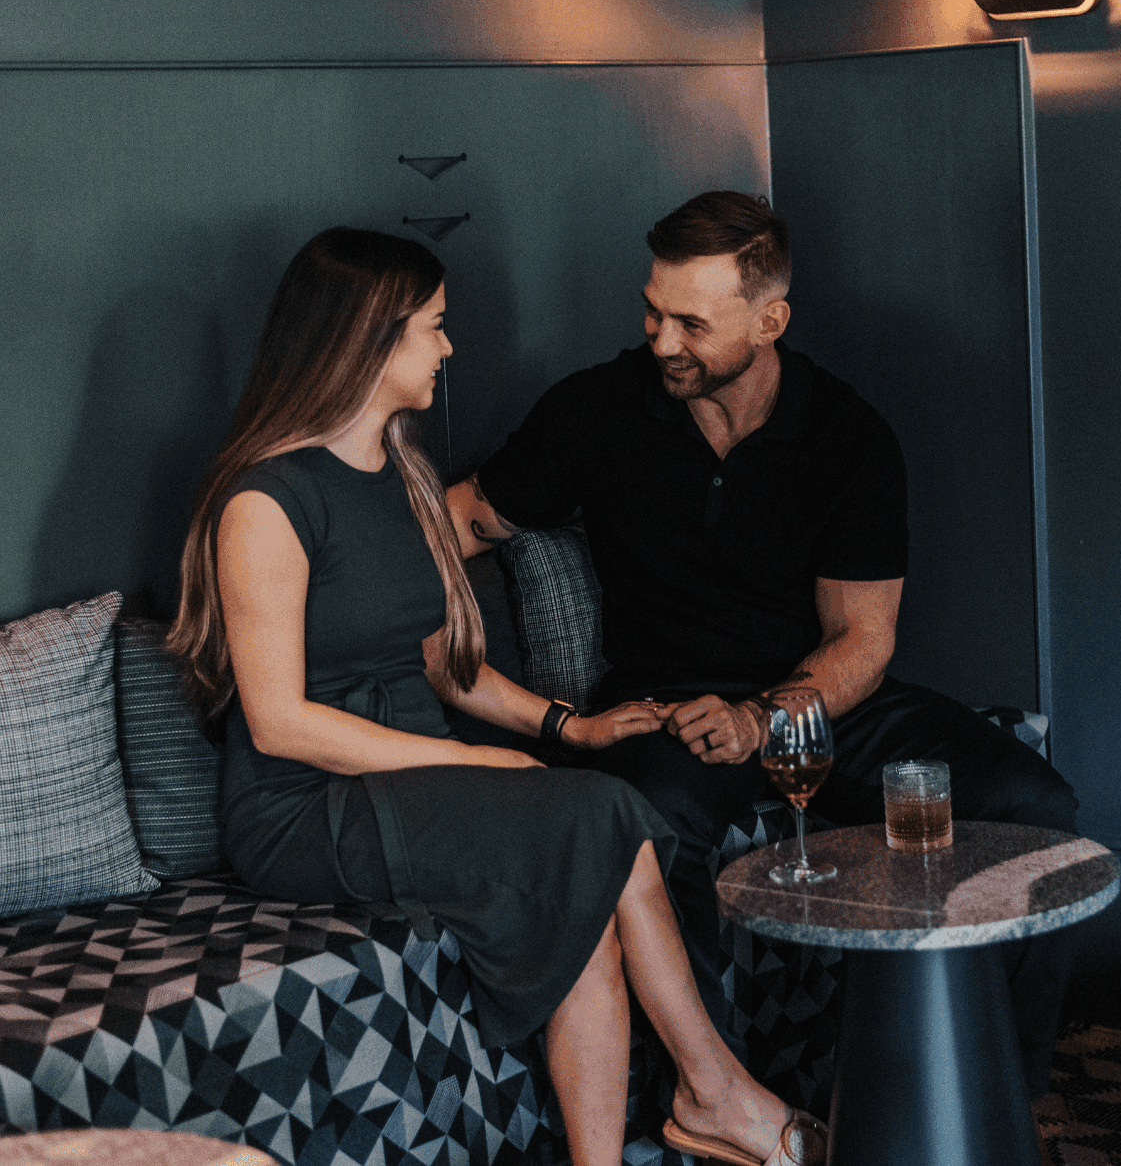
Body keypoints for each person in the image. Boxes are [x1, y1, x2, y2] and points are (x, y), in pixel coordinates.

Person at [166, 228, 826, 1166]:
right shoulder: (266, 503)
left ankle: (667, 1120)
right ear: (367, 339)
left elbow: (446, 665)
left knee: (588, 856)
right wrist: (472, 759)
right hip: (300, 807)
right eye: (432, 328)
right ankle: (714, 1089)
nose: (447, 347)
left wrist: (571, 725)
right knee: (598, 819)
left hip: (411, 782)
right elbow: (280, 723)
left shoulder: (402, 475)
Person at [448, 191, 1082, 1097]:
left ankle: (991, 1101)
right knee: (644, 840)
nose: (664, 341)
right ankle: (720, 1111)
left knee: (1032, 808)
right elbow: (463, 519)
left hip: (816, 700)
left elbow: (861, 637)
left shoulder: (846, 436)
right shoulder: (596, 409)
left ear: (770, 319)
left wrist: (762, 718)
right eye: (653, 311)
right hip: (665, 711)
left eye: (692, 324)